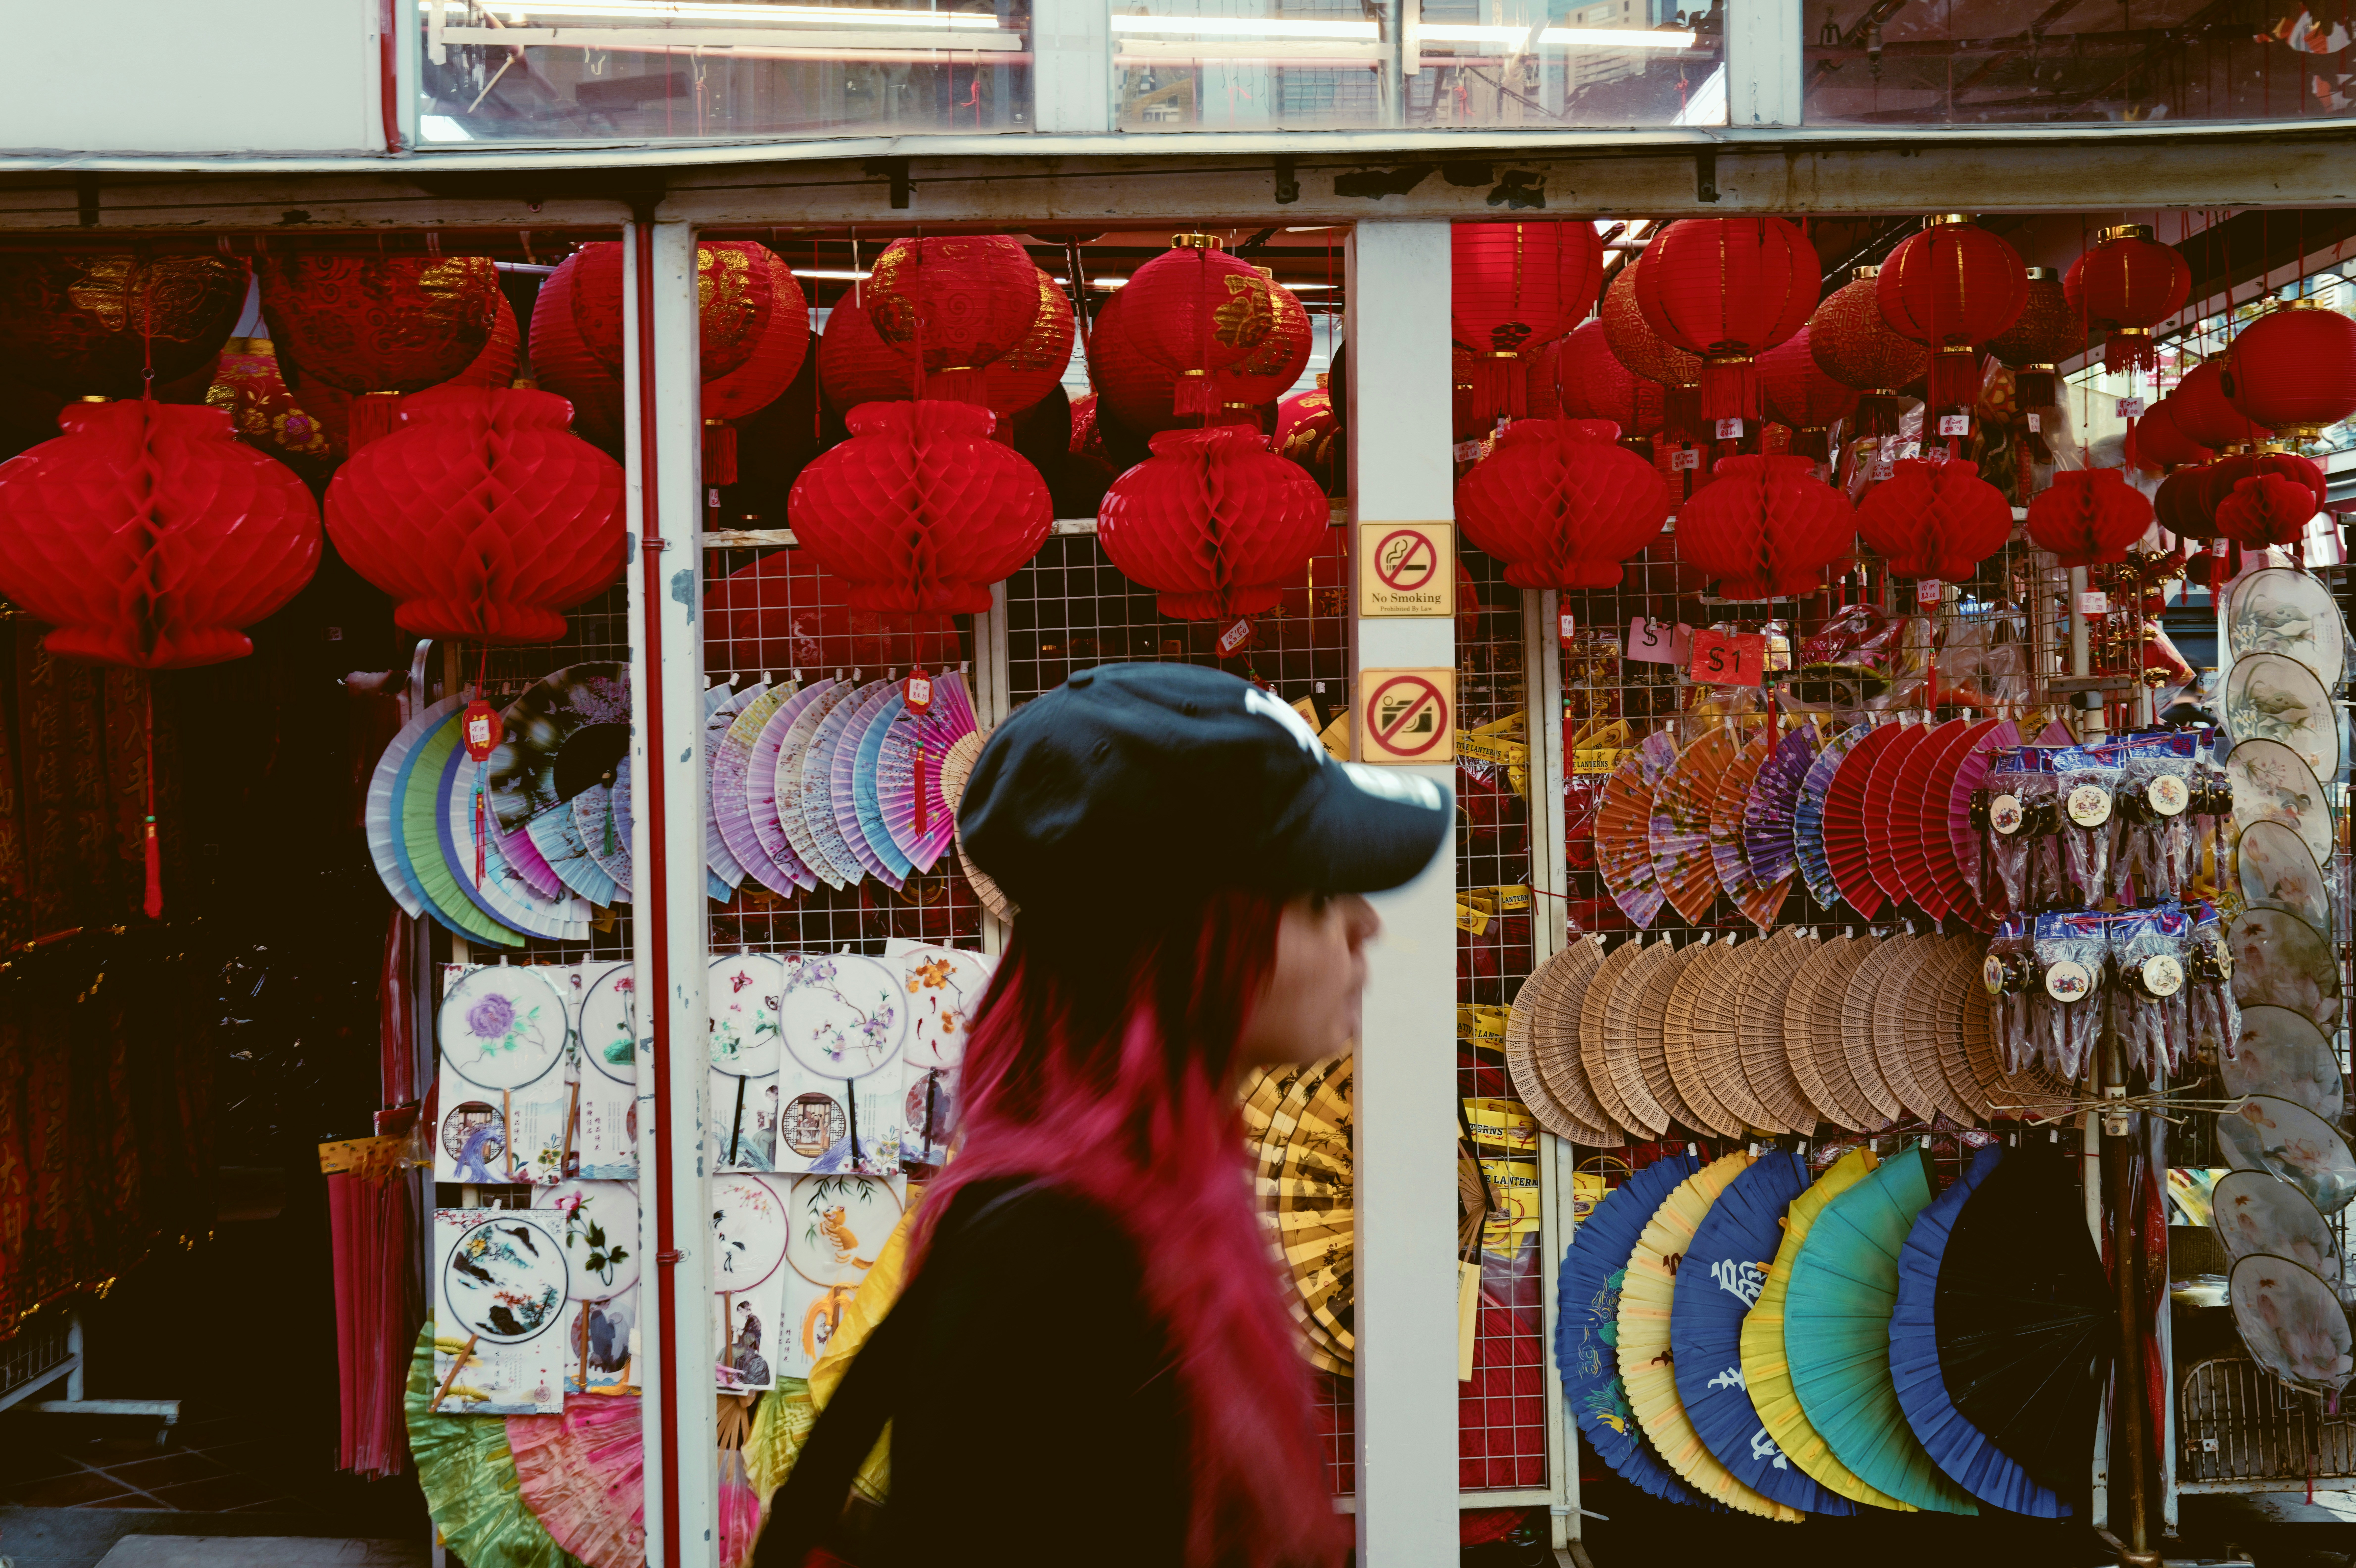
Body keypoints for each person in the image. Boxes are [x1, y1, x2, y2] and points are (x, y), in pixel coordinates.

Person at [754, 663, 1450, 1568]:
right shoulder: (1054, 1255)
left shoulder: (1139, 1210)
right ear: (1194, 933)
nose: (1366, 926)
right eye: (1317, 893)